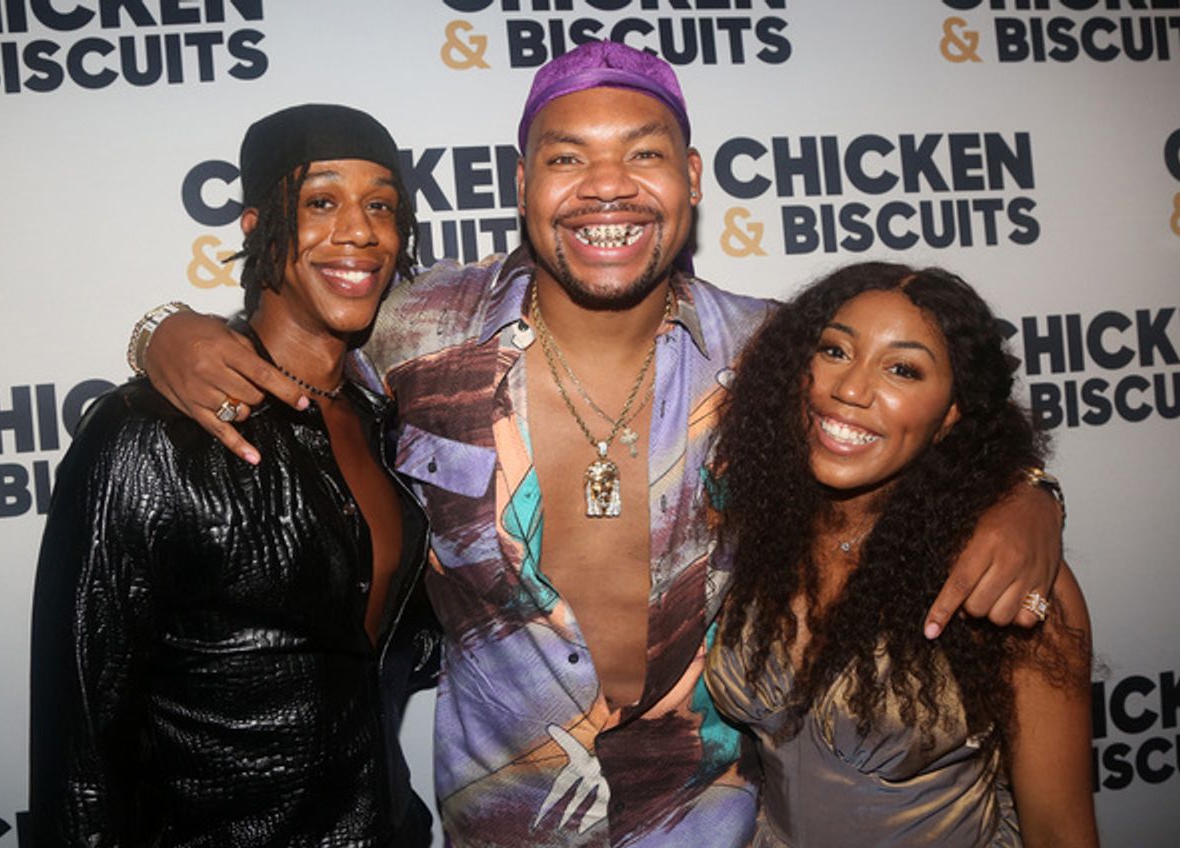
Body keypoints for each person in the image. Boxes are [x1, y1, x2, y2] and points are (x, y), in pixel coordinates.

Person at [133, 43, 1065, 847]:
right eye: (568, 157)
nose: (607, 187)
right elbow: (288, 343)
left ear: (692, 181)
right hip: (505, 816)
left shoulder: (772, 354)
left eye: (644, 155)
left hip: (715, 813)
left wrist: (1028, 493)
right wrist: (160, 332)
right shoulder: (415, 335)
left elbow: (914, 428)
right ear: (523, 182)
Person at [29, 104, 438, 846]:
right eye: (320, 202)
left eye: (382, 205)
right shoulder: (148, 434)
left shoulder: (388, 421)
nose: (361, 230)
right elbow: (79, 751)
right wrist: (157, 328)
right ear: (256, 226)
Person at [705, 262, 1096, 847]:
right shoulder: (757, 526)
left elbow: (1060, 831)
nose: (851, 389)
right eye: (835, 351)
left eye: (903, 369)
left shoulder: (1002, 575)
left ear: (951, 415)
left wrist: (1035, 495)